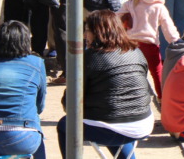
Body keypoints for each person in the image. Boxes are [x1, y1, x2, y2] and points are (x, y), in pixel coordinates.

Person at [58, 10, 153, 159]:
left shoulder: (90, 58)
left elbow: (71, 100)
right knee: (108, 119)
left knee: (65, 125)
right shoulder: (136, 52)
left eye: (87, 31)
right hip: (144, 124)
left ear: (99, 33)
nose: (84, 35)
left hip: (112, 127)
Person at [0, 21, 47, 159]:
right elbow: (40, 106)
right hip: (21, 139)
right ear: (25, 41)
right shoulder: (36, 63)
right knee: (34, 120)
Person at [118, 0, 180, 100]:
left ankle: (129, 99)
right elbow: (169, 30)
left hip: (130, 45)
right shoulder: (159, 7)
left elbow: (116, 18)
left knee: (129, 73)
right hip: (149, 45)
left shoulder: (131, 3)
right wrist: (176, 42)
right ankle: (162, 100)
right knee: (157, 74)